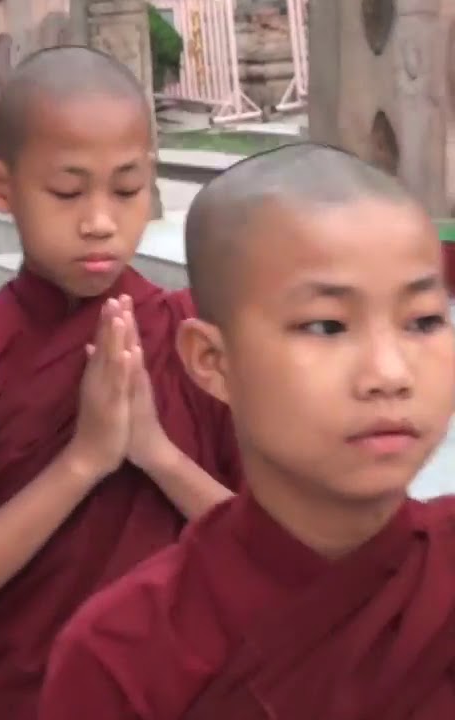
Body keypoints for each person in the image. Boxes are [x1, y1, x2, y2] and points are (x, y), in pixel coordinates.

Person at [37, 142, 455, 719]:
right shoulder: (125, 656)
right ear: (211, 361)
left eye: (424, 321)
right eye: (327, 325)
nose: (389, 373)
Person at [0, 46, 241, 720]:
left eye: (128, 188)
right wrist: (82, 461)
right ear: (0, 187)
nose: (100, 220)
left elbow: (282, 548)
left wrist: (158, 455)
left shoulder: (197, 336)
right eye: (67, 191)